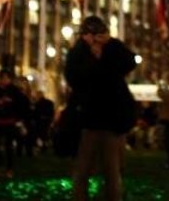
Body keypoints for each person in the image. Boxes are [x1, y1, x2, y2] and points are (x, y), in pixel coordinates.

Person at [65, 15, 138, 201]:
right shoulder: (78, 52)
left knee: (112, 169)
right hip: (90, 118)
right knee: (83, 168)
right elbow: (75, 78)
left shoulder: (112, 49)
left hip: (112, 119)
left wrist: (110, 45)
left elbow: (130, 61)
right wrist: (94, 59)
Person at [0, 69, 30, 178]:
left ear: (10, 79)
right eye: (2, 78)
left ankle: (9, 169)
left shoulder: (15, 91)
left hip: (10, 122)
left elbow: (22, 106)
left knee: (8, 146)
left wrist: (11, 103)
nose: (4, 80)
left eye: (6, 78)